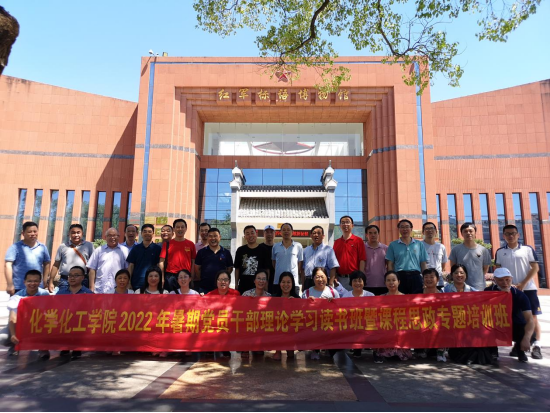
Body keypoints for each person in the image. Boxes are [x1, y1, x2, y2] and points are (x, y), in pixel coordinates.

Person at [495, 225, 543, 360]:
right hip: (507, 290)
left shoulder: (527, 249)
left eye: (513, 233)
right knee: (512, 317)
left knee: (532, 317)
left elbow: (535, 268)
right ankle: (518, 345)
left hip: (528, 288)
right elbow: (498, 270)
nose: (510, 236)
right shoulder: (500, 252)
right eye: (507, 234)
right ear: (503, 236)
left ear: (518, 235)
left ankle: (536, 345)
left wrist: (523, 283)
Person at [485, 268, 536, 363]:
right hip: (494, 326)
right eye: (501, 280)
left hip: (515, 326)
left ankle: (519, 349)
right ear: (495, 280)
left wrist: (526, 338)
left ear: (511, 279)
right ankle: (492, 351)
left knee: (531, 333)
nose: (505, 283)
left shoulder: (519, 295)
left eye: (507, 279)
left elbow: (530, 319)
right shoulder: (487, 292)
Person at [444, 264, 493, 365]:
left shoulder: (473, 291)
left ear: (466, 275)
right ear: (452, 275)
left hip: (468, 325)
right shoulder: (445, 290)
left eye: (462, 273)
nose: (459, 275)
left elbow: (485, 303)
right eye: (456, 273)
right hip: (451, 323)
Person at [0, 270, 50, 358]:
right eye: (29, 281)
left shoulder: (44, 294)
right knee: (2, 337)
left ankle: (43, 348)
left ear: (40, 282)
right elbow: (12, 318)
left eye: (36, 281)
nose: (32, 283)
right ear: (24, 282)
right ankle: (15, 345)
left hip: (38, 324)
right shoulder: (17, 296)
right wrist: (13, 334)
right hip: (21, 324)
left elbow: (49, 313)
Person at [374, 272, 414, 364]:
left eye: (393, 280)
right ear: (385, 283)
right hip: (386, 327)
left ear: (398, 282)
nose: (391, 283)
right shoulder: (380, 298)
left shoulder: (405, 298)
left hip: (400, 328)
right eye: (388, 280)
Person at [302, 267, 340, 361]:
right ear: (313, 278)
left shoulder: (333, 292)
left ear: (327, 277)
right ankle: (315, 349)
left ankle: (328, 347)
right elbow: (301, 312)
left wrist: (333, 303)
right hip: (313, 324)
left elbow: (339, 309)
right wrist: (307, 303)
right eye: (317, 277)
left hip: (329, 323)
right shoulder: (307, 293)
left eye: (322, 277)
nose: (320, 279)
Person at [55, 266, 93, 359]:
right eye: (70, 275)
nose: (72, 278)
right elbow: (55, 309)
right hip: (64, 323)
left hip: (81, 324)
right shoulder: (61, 293)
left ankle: (77, 348)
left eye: (76, 275)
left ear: (83, 277)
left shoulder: (88, 293)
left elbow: (93, 311)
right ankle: (65, 346)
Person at [335, 270, 375, 359]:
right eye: (355, 281)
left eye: (360, 281)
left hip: (367, 323)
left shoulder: (370, 295)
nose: (357, 283)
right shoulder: (346, 296)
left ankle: (376, 352)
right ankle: (356, 348)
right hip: (352, 324)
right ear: (351, 282)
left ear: (364, 282)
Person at [5, 221, 51, 295]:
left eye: (35, 231)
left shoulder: (42, 247)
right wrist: (10, 284)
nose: (33, 234)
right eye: (29, 232)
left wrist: (45, 280)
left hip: (37, 287)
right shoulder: (15, 247)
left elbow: (47, 263)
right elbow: (8, 265)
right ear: (23, 233)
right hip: (19, 287)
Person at [386, 219, 428, 295]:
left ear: (411, 229)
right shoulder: (393, 245)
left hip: (416, 276)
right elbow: (390, 264)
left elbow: (423, 263)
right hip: (400, 276)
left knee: (417, 299)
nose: (405, 229)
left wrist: (426, 279)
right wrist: (391, 278)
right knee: (400, 300)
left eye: (407, 227)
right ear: (399, 229)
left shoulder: (419, 244)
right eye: (402, 227)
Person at [49, 223, 94, 293]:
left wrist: (91, 285)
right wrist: (51, 281)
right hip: (65, 280)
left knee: (82, 299)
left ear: (82, 233)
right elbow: (56, 264)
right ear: (69, 234)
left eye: (78, 232)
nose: (76, 235)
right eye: (73, 233)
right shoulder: (62, 246)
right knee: (63, 298)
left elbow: (93, 266)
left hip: (83, 280)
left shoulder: (89, 245)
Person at [414, 268, 447, 363]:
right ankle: (421, 350)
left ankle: (440, 351)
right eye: (426, 277)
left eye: (432, 277)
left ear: (437, 279)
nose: (428, 279)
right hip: (421, 321)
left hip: (438, 322)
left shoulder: (443, 294)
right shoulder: (417, 293)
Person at [449, 222, 491, 292]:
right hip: (461, 287)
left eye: (471, 231)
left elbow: (485, 268)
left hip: (478, 287)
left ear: (475, 233)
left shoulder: (483, 250)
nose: (468, 233)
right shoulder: (455, 250)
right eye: (465, 231)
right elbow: (453, 268)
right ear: (462, 234)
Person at [87, 228, 129, 294]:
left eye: (114, 235)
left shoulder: (125, 250)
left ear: (119, 237)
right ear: (105, 237)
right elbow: (92, 269)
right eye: (109, 235)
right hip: (100, 288)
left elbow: (128, 269)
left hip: (118, 289)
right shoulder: (99, 250)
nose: (112, 237)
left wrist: (128, 285)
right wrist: (91, 287)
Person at [159, 219, 196, 292]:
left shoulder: (191, 244)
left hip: (185, 276)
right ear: (174, 229)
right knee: (170, 297)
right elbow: (161, 262)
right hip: (170, 277)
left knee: (184, 297)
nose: (180, 229)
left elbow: (193, 262)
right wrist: (162, 278)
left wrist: (191, 278)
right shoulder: (167, 244)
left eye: (182, 227)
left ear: (186, 229)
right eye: (178, 227)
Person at [242, 270, 271, 359]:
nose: (261, 281)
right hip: (249, 325)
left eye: (263, 279)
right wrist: (249, 303)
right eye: (258, 278)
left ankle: (259, 345)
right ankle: (245, 347)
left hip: (262, 327)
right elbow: (240, 313)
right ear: (254, 281)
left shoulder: (270, 297)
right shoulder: (246, 294)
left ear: (266, 282)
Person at [195, 228, 234, 294]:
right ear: (207, 238)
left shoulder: (226, 252)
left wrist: (223, 278)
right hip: (205, 288)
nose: (213, 238)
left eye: (215, 236)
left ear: (219, 237)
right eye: (210, 236)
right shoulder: (201, 252)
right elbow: (197, 269)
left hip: (221, 288)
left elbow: (230, 269)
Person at [333, 216, 367, 291]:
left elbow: (362, 259)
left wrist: (360, 276)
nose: (345, 224)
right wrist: (334, 276)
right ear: (340, 226)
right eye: (343, 222)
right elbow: (334, 261)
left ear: (352, 225)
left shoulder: (358, 240)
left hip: (354, 278)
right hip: (340, 279)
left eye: (347, 222)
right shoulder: (336, 242)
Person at [235, 225, 271, 294]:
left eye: (252, 233)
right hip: (243, 285)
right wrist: (236, 284)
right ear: (245, 237)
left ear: (256, 234)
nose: (250, 235)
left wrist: (266, 284)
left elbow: (267, 269)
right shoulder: (240, 250)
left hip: (259, 286)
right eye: (247, 234)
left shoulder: (264, 250)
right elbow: (237, 268)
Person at [302, 226, 339, 291]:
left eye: (319, 233)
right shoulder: (306, 250)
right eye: (314, 233)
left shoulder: (328, 250)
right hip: (308, 281)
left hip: (322, 281)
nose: (316, 235)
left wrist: (330, 284)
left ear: (323, 236)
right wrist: (303, 284)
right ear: (311, 236)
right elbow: (303, 269)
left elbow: (333, 267)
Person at [127, 224, 162, 290]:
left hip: (152, 283)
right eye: (145, 231)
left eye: (149, 231)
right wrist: (128, 282)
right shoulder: (136, 248)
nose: (147, 233)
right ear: (141, 233)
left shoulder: (157, 249)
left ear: (153, 233)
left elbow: (159, 266)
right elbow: (131, 266)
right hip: (136, 282)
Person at [272, 223, 303, 296]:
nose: (286, 231)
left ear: (292, 232)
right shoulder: (275, 246)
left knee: (294, 302)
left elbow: (300, 263)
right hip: (278, 282)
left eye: (288, 230)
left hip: (293, 282)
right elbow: (274, 263)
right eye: (284, 230)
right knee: (277, 302)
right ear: (280, 232)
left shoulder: (298, 246)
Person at [422, 222, 448, 291]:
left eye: (431, 228)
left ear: (436, 231)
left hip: (439, 281)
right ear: (423, 232)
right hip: (424, 280)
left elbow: (443, 264)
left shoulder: (441, 247)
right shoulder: (419, 246)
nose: (429, 230)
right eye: (427, 229)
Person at [364, 225, 388, 296]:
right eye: (370, 233)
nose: (373, 235)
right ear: (366, 235)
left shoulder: (385, 248)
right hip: (367, 283)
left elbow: (389, 265)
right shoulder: (362, 248)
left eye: (375, 233)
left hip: (382, 283)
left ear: (378, 234)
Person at [261, 225, 277, 294]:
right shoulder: (260, 247)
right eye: (267, 232)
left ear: (274, 234)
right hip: (262, 281)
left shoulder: (278, 248)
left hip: (276, 280)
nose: (269, 234)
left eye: (271, 232)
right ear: (264, 234)